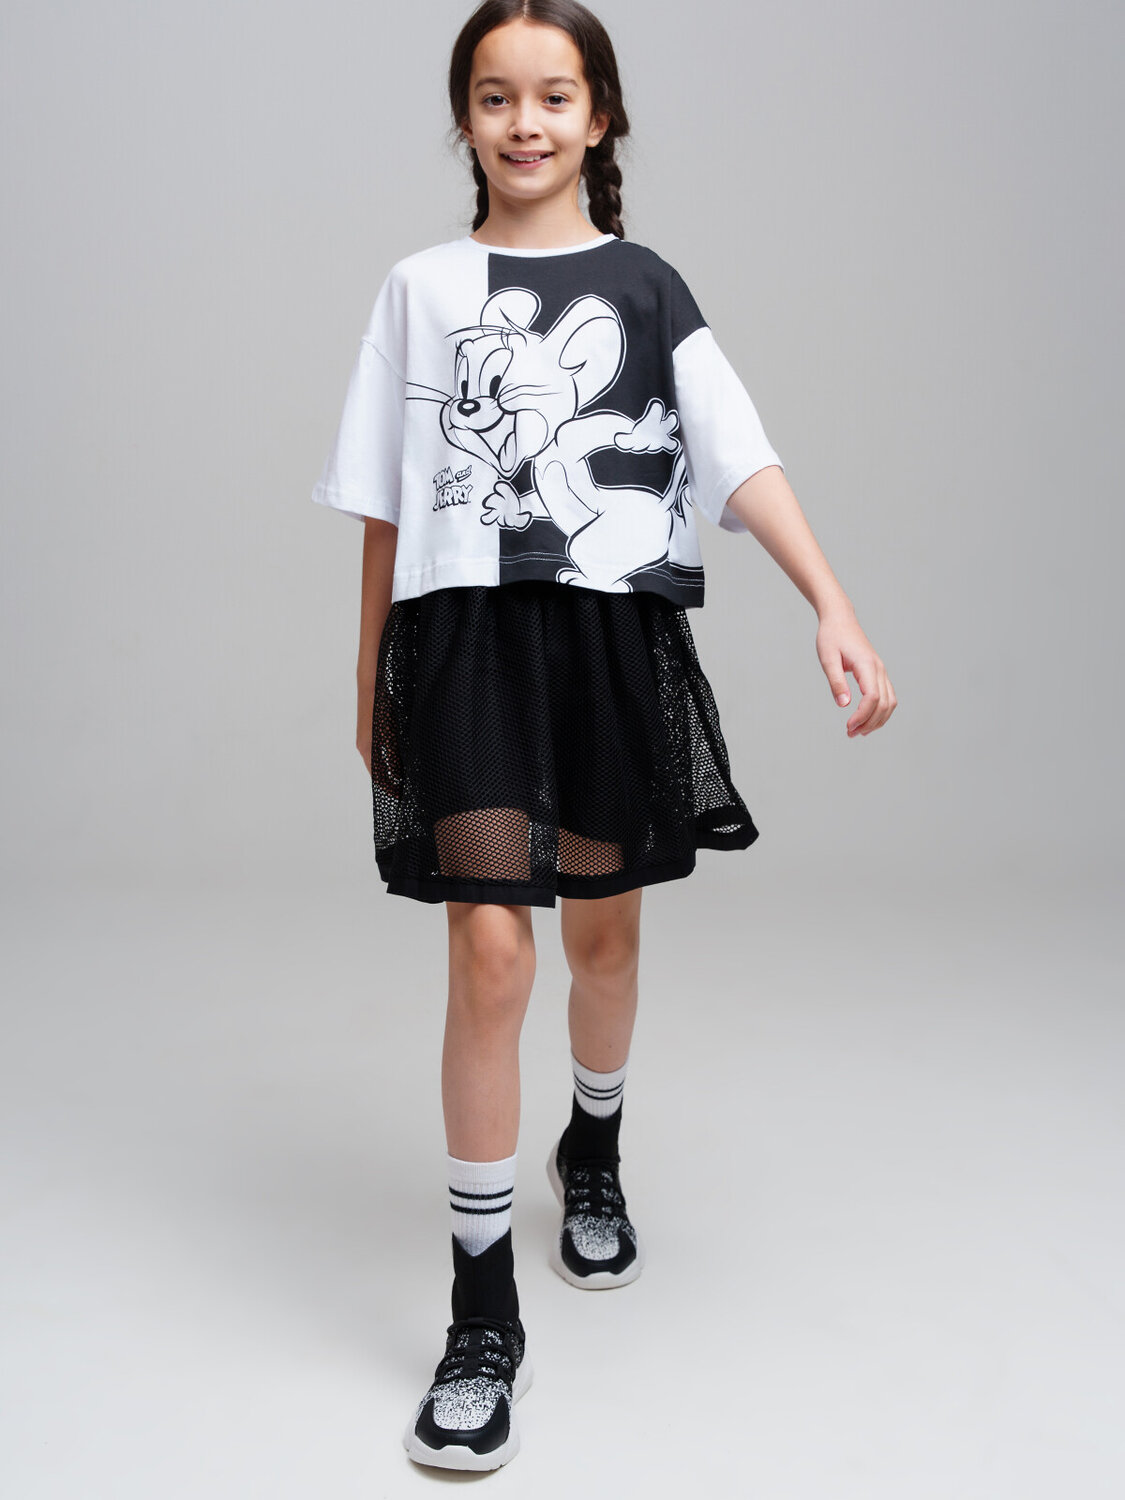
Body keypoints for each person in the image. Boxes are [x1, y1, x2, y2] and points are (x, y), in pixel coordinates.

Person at [310, 0, 896, 1473]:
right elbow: (385, 498)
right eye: (495, 95)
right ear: (466, 119)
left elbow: (741, 457)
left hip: (606, 640)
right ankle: (481, 1312)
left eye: (554, 95)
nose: (525, 121)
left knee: (604, 939)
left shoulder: (644, 285)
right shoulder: (419, 288)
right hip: (465, 647)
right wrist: (371, 668)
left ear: (600, 116)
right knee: (489, 954)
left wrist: (830, 601)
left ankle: (595, 1146)